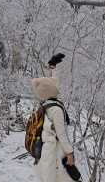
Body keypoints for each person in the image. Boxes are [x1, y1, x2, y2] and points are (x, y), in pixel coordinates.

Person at [31, 54, 74, 182]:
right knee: (56, 177)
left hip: (45, 148)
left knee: (48, 175)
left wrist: (53, 67)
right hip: (55, 150)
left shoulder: (45, 104)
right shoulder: (56, 110)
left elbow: (53, 83)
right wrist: (69, 152)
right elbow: (61, 133)